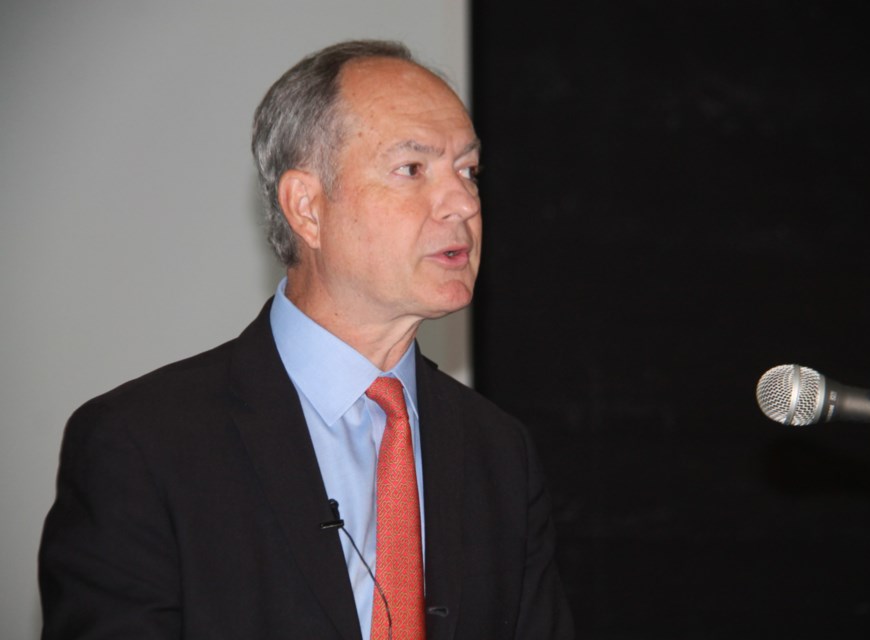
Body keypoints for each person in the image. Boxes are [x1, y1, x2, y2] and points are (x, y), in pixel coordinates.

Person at [38, 39, 574, 640]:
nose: (461, 204)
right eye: (413, 169)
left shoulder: (498, 452)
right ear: (307, 207)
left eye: (469, 172)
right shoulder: (141, 447)